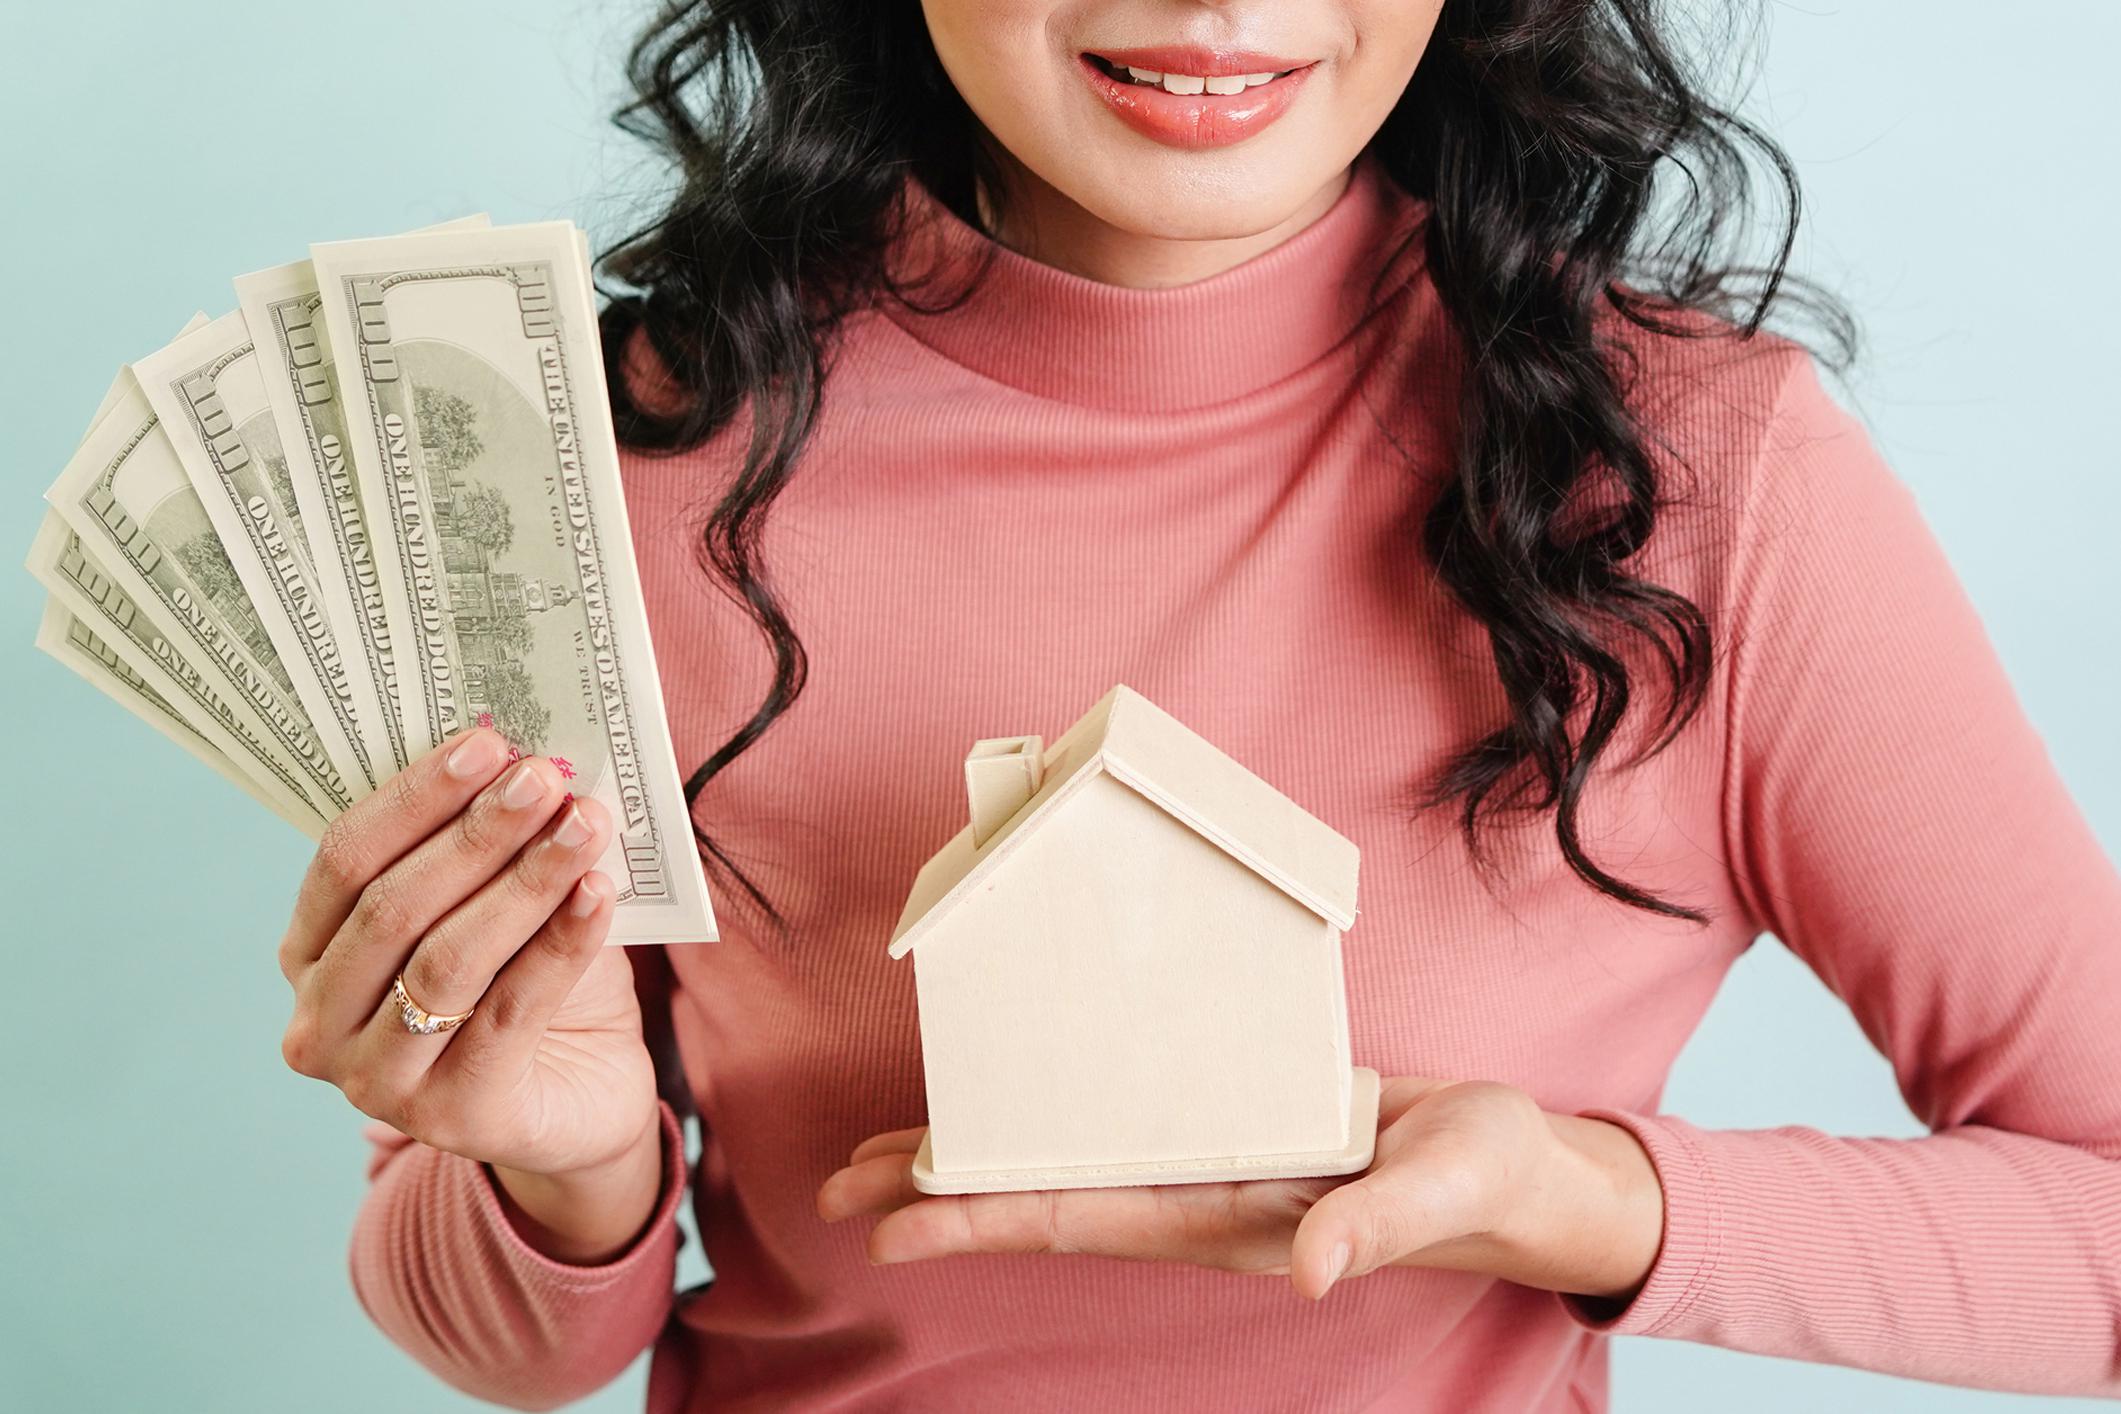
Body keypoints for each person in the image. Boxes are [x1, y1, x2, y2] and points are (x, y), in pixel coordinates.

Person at [273, 2, 2121, 1410]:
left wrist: (1578, 1199)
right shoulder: (609, 461)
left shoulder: (1701, 482)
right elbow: (507, 1346)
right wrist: (570, 1162)